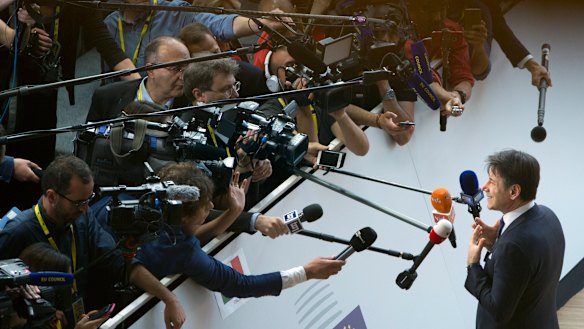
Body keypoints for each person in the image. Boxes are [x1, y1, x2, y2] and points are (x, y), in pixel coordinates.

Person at [0, 155, 187, 329]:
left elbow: (120, 263)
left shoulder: (82, 217)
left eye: (88, 199)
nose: (85, 208)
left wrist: (169, 298)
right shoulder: (16, 233)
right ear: (51, 196)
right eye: (78, 202)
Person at [135, 161, 346, 297]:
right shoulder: (182, 250)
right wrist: (306, 272)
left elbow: (192, 230)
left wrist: (237, 213)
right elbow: (240, 285)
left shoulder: (141, 201)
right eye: (205, 205)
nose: (211, 207)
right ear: (183, 215)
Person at [465, 149, 565, 328]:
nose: (484, 187)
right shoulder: (548, 216)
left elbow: (499, 310)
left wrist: (473, 265)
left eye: (492, 182)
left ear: (513, 191)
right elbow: (525, 271)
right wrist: (497, 244)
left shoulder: (513, 246)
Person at [87, 36, 190, 122]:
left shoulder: (194, 103)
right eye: (176, 69)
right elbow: (86, 143)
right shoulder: (107, 97)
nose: (183, 76)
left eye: (187, 68)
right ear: (151, 70)